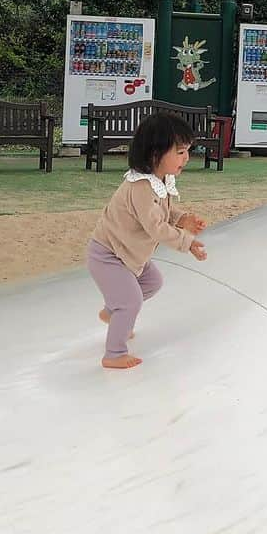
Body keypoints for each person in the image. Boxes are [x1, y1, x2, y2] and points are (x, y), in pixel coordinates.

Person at [86, 112, 208, 369]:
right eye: (180, 151)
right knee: (131, 301)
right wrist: (187, 241)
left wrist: (182, 218)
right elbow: (156, 227)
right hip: (108, 255)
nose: (186, 157)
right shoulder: (140, 187)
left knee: (152, 282)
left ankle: (113, 312)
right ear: (155, 154)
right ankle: (115, 353)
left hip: (129, 254)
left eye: (188, 151)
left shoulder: (159, 181)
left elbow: (162, 211)